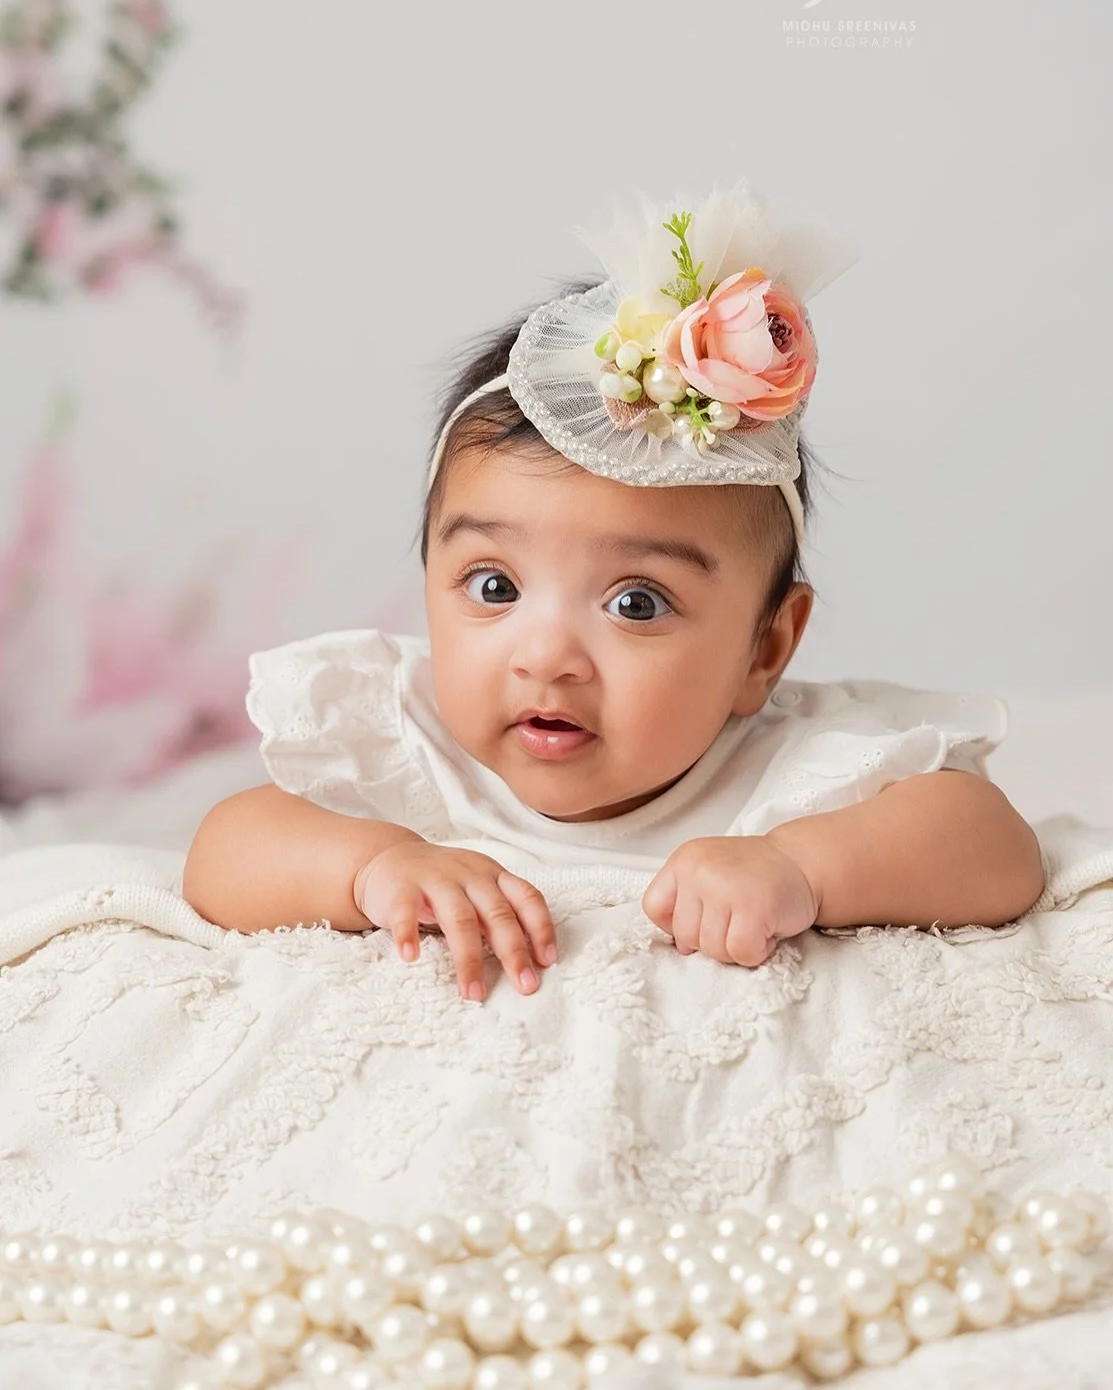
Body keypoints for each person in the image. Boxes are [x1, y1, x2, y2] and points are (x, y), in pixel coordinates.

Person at [183, 179, 1044, 1005]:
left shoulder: (785, 776)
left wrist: (802, 869)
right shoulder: (409, 746)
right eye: (493, 586)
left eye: (636, 603)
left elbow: (996, 848)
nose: (545, 656)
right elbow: (224, 851)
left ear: (765, 649)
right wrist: (373, 868)